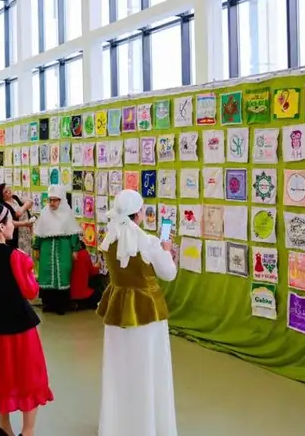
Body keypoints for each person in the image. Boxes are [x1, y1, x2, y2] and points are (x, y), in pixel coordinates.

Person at [96, 190, 179, 436]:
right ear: (139, 213)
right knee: (148, 368)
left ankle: (117, 426)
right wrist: (166, 250)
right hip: (146, 314)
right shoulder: (149, 242)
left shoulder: (109, 238)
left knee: (119, 368)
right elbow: (169, 273)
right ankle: (149, 427)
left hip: (117, 310)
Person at [0, 204, 53, 436]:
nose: (13, 227)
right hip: (20, 327)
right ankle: (28, 431)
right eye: (9, 222)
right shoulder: (16, 257)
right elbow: (31, 292)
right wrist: (30, 274)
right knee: (28, 378)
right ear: (0, 227)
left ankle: (4, 428)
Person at [32, 185, 81, 315]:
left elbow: (73, 233)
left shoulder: (67, 214)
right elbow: (39, 232)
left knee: (63, 274)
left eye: (55, 200)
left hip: (63, 248)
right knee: (47, 273)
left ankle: (61, 305)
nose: (52, 203)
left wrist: (74, 249)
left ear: (61, 200)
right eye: (50, 200)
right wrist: (36, 247)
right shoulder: (44, 213)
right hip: (47, 248)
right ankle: (48, 304)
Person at [0, 183, 34, 254]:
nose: (9, 191)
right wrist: (24, 224)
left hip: (26, 233)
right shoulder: (3, 207)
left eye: (8, 188)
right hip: (15, 237)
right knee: (18, 256)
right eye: (6, 191)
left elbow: (30, 201)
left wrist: (22, 209)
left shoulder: (15, 198)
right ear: (3, 197)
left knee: (28, 255)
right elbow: (8, 222)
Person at [70, 241, 102, 310]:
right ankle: (85, 304)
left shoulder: (69, 254)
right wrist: (97, 267)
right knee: (98, 290)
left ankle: (76, 304)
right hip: (82, 292)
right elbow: (92, 271)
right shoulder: (84, 253)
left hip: (69, 292)